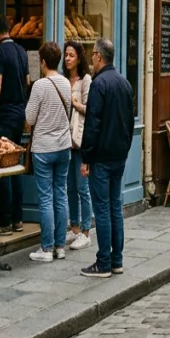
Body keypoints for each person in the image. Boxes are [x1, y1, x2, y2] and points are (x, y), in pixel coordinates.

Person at [79, 39, 136, 278]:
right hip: (119, 156)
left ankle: (103, 262)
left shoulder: (99, 84)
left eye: (93, 55)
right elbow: (130, 123)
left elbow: (93, 124)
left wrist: (86, 157)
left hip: (101, 156)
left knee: (102, 209)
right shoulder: (124, 84)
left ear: (99, 57)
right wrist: (124, 150)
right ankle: (117, 260)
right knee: (115, 208)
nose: (91, 59)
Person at [26, 42, 72, 262]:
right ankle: (60, 246)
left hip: (44, 148)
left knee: (45, 198)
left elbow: (29, 118)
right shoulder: (66, 83)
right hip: (64, 146)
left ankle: (46, 248)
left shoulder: (40, 86)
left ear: (43, 62)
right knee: (60, 195)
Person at [0, 14, 29, 235]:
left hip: (4, 114)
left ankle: (4, 223)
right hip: (19, 112)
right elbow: (26, 82)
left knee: (4, 167)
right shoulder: (21, 51)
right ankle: (18, 219)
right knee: (16, 166)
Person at [64, 41, 93, 251]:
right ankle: (73, 228)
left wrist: (74, 104)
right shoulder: (63, 80)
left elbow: (90, 109)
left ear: (79, 58)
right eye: (66, 55)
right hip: (65, 138)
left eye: (71, 55)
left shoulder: (85, 80)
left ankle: (85, 231)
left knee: (83, 188)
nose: (67, 59)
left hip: (80, 137)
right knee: (71, 188)